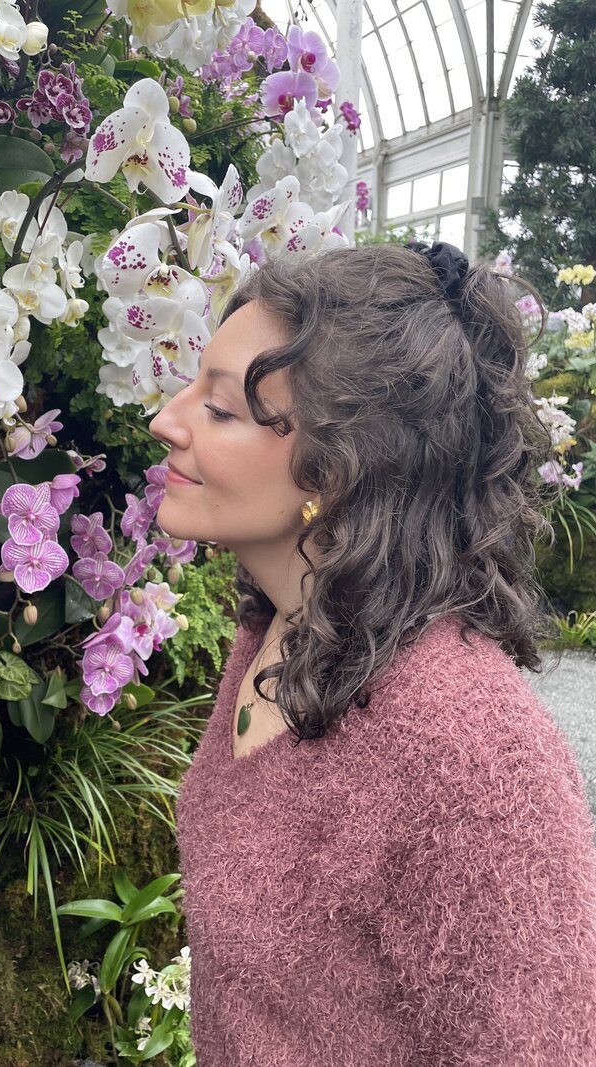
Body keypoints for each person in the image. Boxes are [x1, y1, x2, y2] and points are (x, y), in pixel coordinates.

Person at [147, 242, 596, 1066]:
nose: (165, 421)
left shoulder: (471, 751)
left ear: (345, 463)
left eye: (221, 408)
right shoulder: (276, 629)